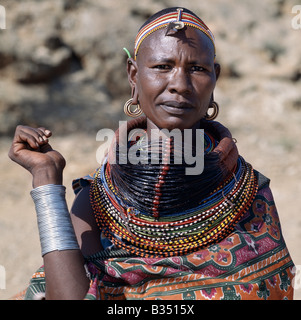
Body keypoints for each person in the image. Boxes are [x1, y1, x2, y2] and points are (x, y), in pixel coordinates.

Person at [9, 7, 295, 300]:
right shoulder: (98, 199)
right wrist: (46, 180)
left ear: (215, 78)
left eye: (197, 69)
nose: (179, 85)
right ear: (133, 75)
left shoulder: (247, 194)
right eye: (162, 67)